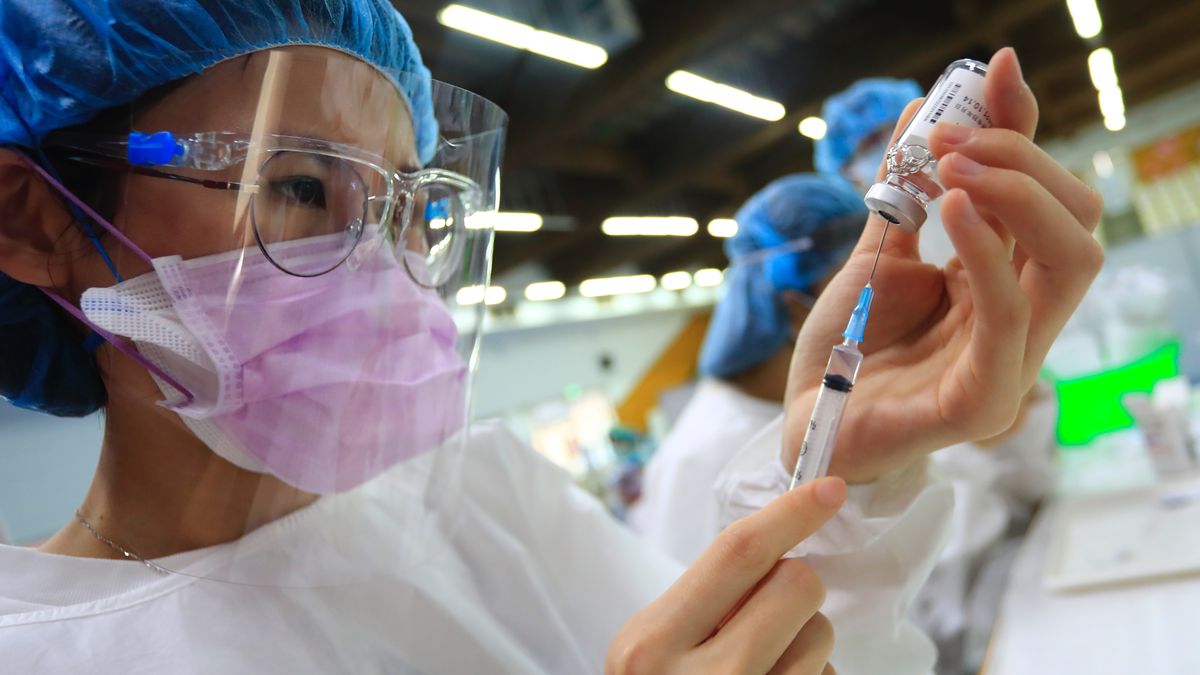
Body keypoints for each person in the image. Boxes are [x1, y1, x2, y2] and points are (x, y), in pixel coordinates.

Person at [0, 3, 1103, 673]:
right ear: (39, 221)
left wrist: (847, 472)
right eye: (294, 185)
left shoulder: (477, 500)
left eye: (412, 211)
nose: (385, 275)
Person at [818, 77, 1063, 673]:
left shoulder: (983, 219)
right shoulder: (864, 273)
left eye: (893, 133)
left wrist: (1004, 408)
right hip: (927, 572)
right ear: (850, 172)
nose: (887, 148)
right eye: (867, 146)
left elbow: (1018, 417)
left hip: (1001, 528)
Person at [631, 173, 866, 565]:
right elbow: (687, 607)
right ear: (795, 308)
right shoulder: (700, 460)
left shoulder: (809, 408)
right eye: (857, 291)